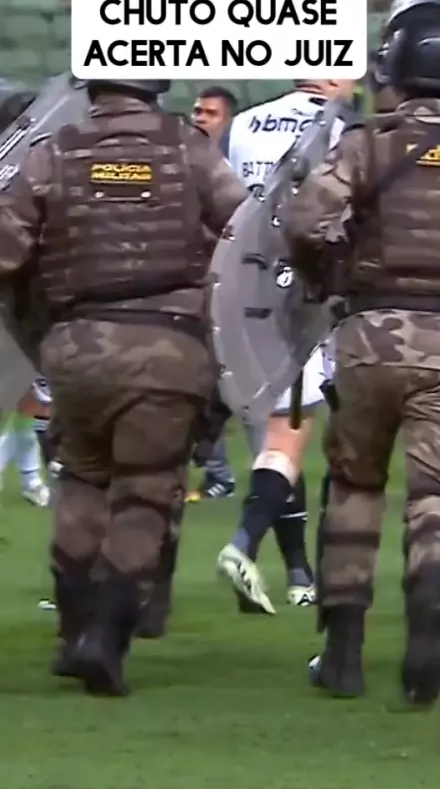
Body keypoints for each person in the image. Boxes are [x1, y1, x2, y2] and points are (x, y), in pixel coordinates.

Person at [0, 77, 247, 697]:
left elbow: (8, 248)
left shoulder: (53, 152)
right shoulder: (189, 149)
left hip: (75, 346)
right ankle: (106, 640)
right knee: (144, 492)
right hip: (170, 346)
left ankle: (72, 631)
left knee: (81, 480)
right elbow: (247, 235)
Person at [281, 0, 440, 706]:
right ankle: (428, 622)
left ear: (394, 68)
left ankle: (343, 653)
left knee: (355, 486)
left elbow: (305, 222)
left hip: (370, 333)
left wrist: (326, 273)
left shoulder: (367, 143)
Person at [217, 78, 356, 615]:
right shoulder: (348, 129)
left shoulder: (244, 124)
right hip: (312, 302)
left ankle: (296, 572)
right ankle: (255, 548)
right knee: (310, 442)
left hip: (243, 297)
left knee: (274, 438)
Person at [187, 85, 239, 502]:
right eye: (197, 111)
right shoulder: (186, 159)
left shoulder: (233, 164)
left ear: (229, 120)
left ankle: (219, 470)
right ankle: (215, 469)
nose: (200, 118)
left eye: (210, 113)